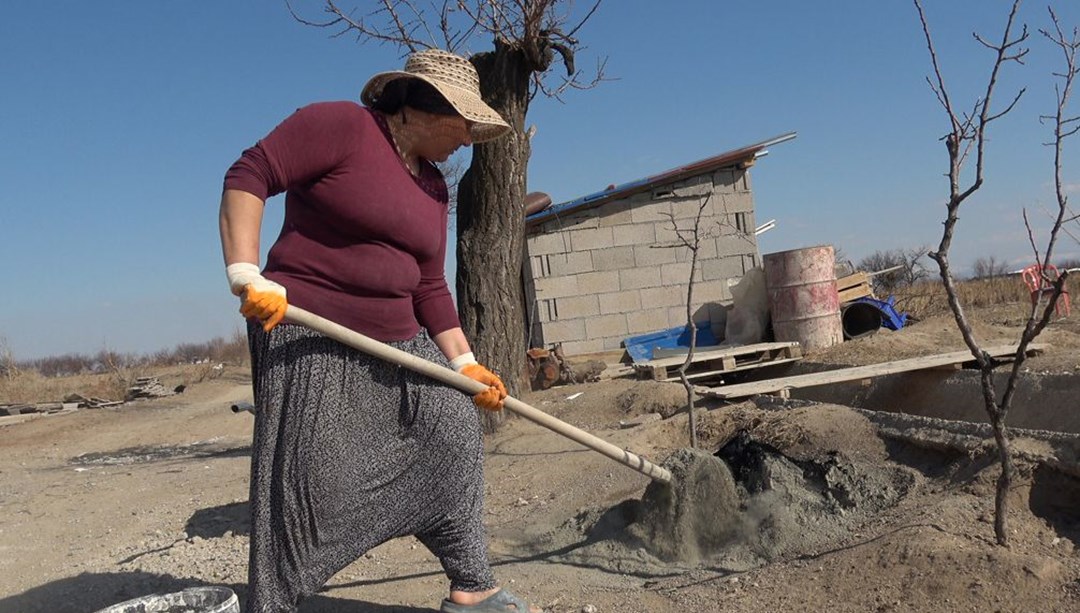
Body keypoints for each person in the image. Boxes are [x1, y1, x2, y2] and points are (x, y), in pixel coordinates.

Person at [218, 48, 541, 613]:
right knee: (312, 482)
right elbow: (250, 174)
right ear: (424, 107)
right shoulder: (340, 126)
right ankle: (277, 599)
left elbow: (429, 285)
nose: (466, 140)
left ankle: (472, 584)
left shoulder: (436, 186)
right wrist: (247, 275)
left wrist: (464, 364)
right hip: (309, 329)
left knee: (452, 432)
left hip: (398, 337)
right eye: (463, 125)